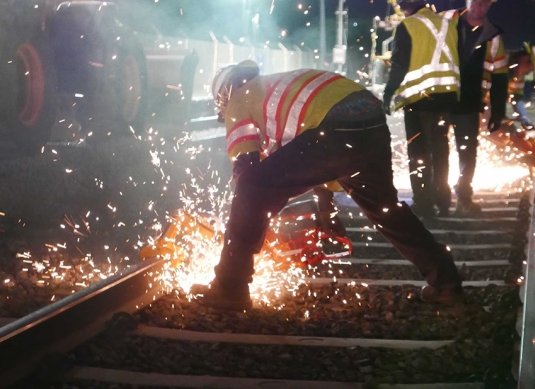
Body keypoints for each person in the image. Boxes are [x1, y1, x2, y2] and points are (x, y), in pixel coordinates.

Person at [196, 61, 463, 310]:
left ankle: (230, 286)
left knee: (252, 187)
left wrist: (248, 222)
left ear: (223, 95)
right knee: (386, 210)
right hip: (370, 121)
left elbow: (247, 176)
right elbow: (315, 160)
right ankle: (447, 282)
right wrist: (326, 211)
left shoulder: (237, 101)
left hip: (335, 128)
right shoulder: (276, 91)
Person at [383, 0, 461, 218]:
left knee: (419, 153)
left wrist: (388, 93)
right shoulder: (447, 24)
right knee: (440, 151)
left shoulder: (408, 25)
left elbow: (399, 64)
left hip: (419, 100)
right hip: (446, 98)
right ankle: (443, 201)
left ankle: (424, 204)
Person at [450, 0, 509, 217]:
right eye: (476, 1)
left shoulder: (493, 37)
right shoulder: (447, 25)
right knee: (436, 152)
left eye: (485, 3)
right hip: (442, 100)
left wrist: (498, 111)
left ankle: (464, 196)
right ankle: (439, 196)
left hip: (469, 103)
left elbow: (500, 76)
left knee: (467, 152)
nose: (480, 7)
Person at [508, 43, 535, 128]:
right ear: (525, 58)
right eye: (530, 67)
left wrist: (523, 117)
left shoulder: (519, 77)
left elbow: (517, 98)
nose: (528, 71)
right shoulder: (500, 62)